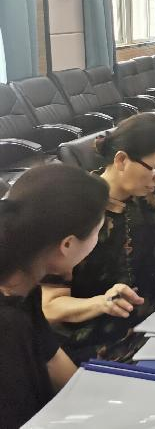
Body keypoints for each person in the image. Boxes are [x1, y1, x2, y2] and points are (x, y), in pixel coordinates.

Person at [42, 113, 155, 363]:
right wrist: (101, 303)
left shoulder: (152, 192)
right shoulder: (75, 211)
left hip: (151, 323)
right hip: (95, 343)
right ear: (122, 160)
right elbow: (49, 306)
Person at [0, 164, 110, 427]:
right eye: (98, 231)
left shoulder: (23, 289)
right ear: (67, 244)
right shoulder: (8, 325)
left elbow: (53, 360)